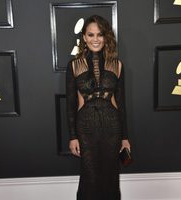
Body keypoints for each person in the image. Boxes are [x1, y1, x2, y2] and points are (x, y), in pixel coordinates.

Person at [66, 15, 131, 200]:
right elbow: (71, 104)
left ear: (105, 37)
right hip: (86, 127)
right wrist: (72, 137)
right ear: (84, 38)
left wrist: (125, 137)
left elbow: (120, 104)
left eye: (100, 34)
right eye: (91, 34)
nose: (96, 39)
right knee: (90, 176)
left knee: (111, 175)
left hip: (112, 126)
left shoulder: (117, 65)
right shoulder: (73, 66)